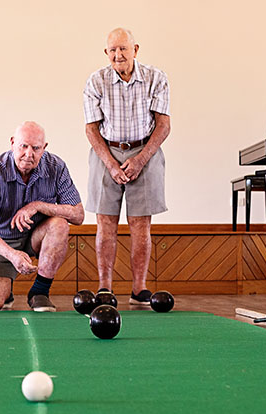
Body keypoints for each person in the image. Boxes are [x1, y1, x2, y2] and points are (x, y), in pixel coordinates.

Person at [83, 28, 171, 305]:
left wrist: (141, 159)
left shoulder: (157, 78)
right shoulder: (95, 81)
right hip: (106, 151)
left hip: (146, 150)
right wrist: (111, 164)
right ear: (106, 53)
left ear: (135, 49)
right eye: (113, 50)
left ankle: (139, 289)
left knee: (141, 225)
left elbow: (164, 125)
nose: (118, 55)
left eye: (123, 48)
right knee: (105, 223)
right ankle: (105, 288)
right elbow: (91, 129)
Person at [0, 122, 84, 312]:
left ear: (44, 148)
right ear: (13, 143)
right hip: (0, 240)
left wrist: (38, 206)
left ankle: (39, 292)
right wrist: (12, 255)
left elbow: (78, 215)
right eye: (23, 146)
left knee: (60, 224)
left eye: (36, 148)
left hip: (35, 236)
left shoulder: (57, 167)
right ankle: (7, 289)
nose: (29, 154)